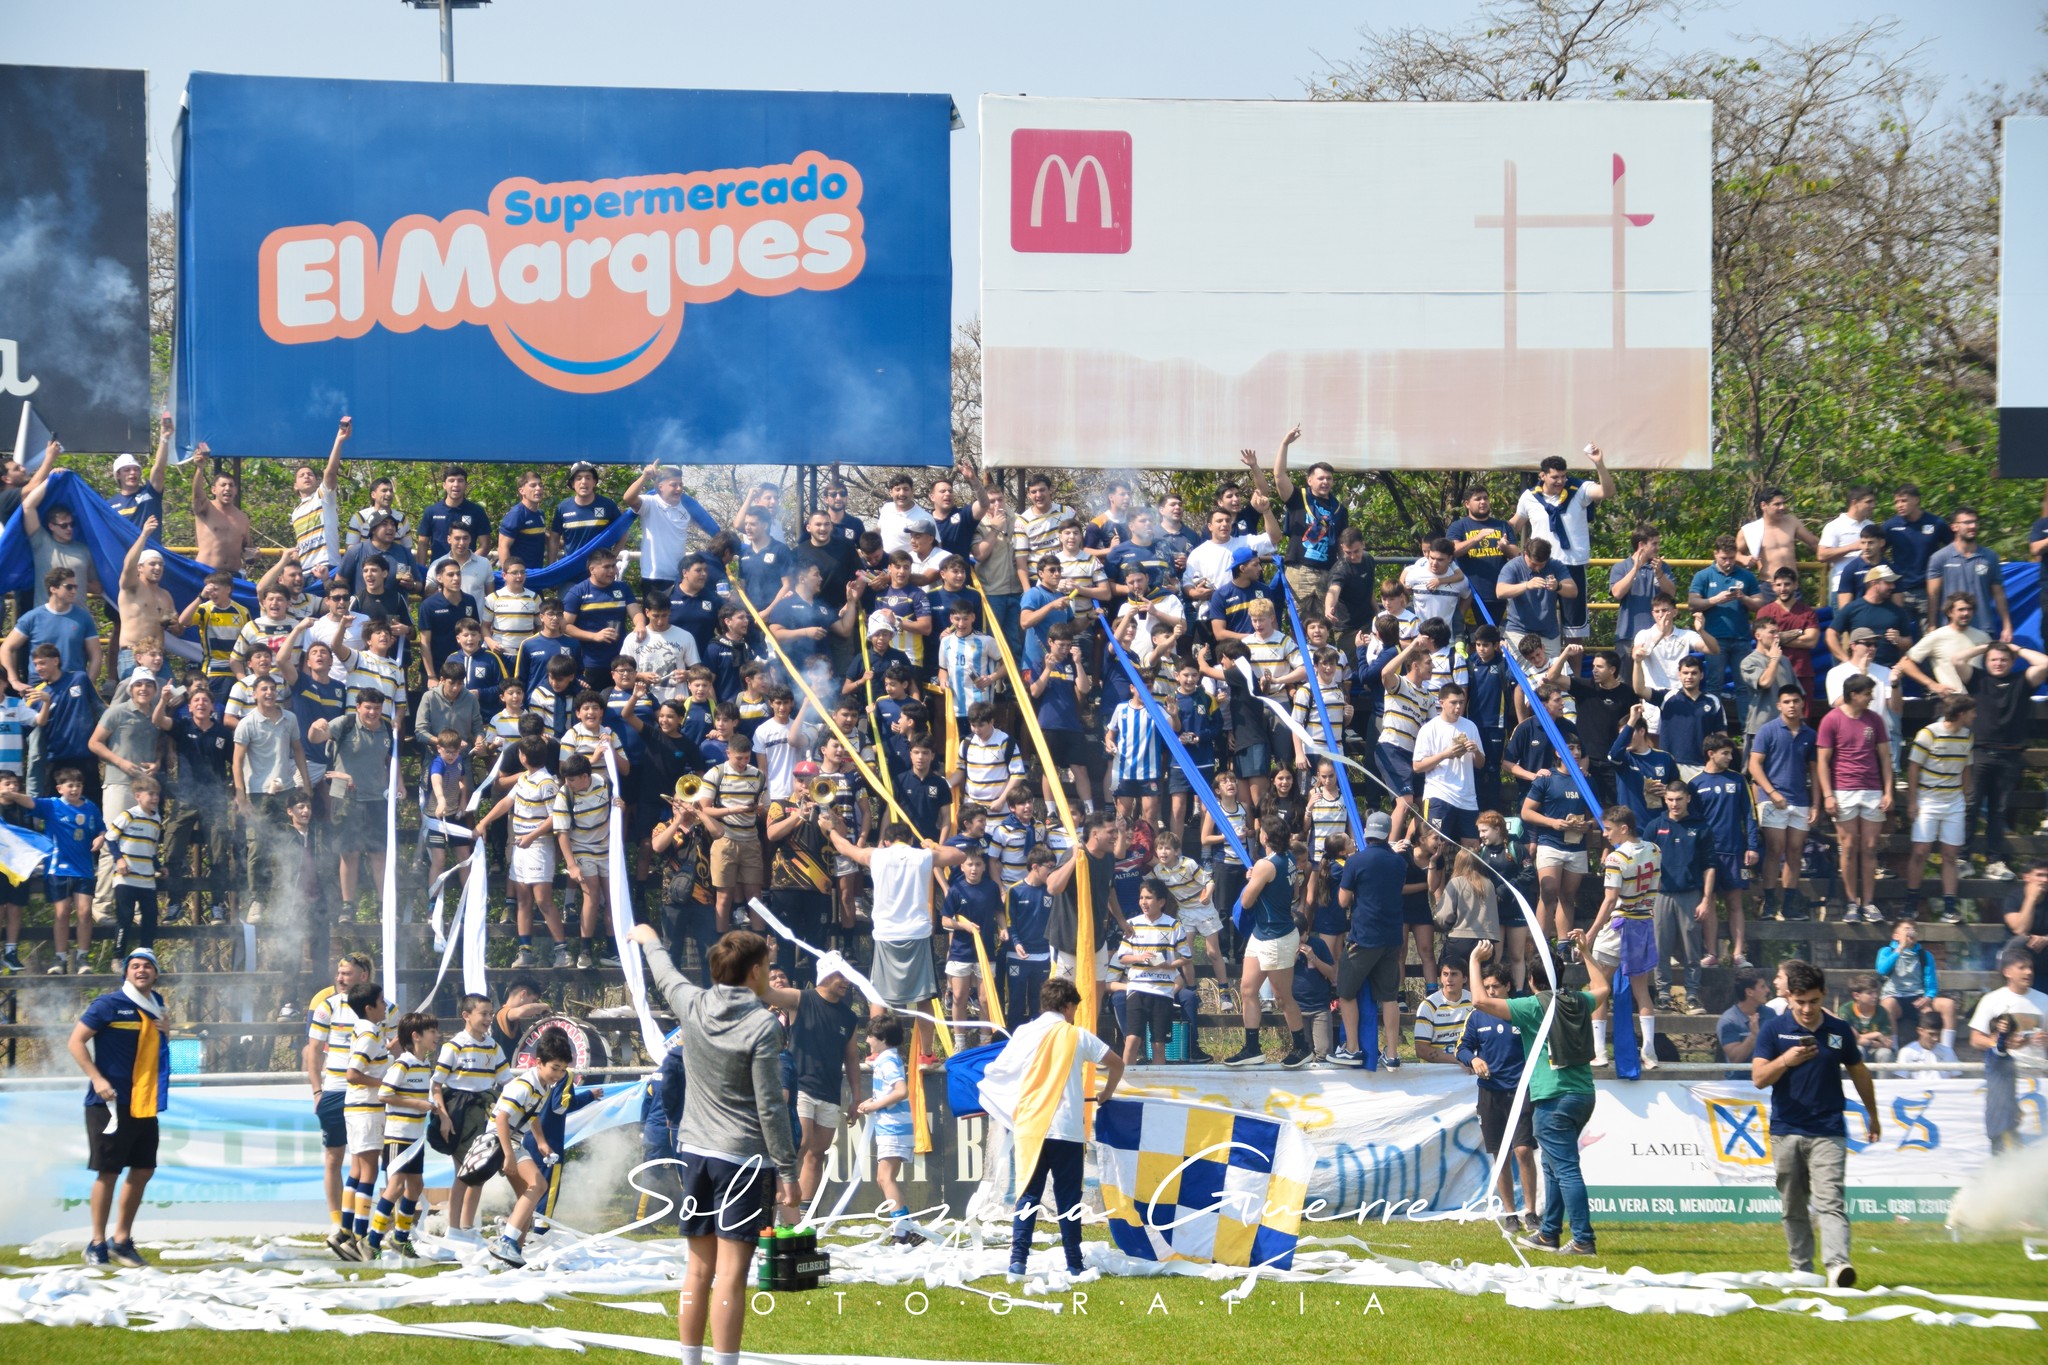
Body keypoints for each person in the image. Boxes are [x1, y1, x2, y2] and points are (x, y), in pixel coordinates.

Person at [631, 923, 799, 1364]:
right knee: (730, 1276)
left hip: (695, 1155)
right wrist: (787, 1173)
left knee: (698, 1270)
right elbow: (771, 1107)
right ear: (756, 972)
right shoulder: (763, 1025)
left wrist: (648, 937)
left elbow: (664, 972)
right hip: (744, 1161)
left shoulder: (692, 1003)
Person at [1469, 932, 1608, 1255]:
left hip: (1553, 1097)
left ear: (1531, 981)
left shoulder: (1534, 1006)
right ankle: (1548, 1233)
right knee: (1552, 1166)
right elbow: (1602, 988)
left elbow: (1479, 1001)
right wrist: (1586, 953)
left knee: (1566, 1168)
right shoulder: (1577, 1000)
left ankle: (1584, 1239)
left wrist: (1475, 962)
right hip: (1583, 1094)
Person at [980, 976, 1124, 1280]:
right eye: (1074, 1009)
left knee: (1028, 1195)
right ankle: (1074, 1263)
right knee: (1068, 1199)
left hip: (1031, 1126)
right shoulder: (1076, 1035)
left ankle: (1017, 1262)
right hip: (1067, 1128)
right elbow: (1117, 1063)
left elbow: (1000, 1070)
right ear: (1068, 1006)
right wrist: (1106, 1093)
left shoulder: (1023, 1033)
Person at [1753, 958, 1880, 1287]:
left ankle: (1839, 1267)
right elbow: (1759, 1078)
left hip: (1829, 1130)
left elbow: (1859, 1072)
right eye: (1800, 1001)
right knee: (1793, 1205)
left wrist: (1873, 1114)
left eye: (1814, 1001)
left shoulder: (1838, 1032)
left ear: (1824, 995)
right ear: (1790, 998)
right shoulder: (1773, 1029)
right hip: (1786, 1130)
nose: (1807, 1009)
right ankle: (1802, 1269)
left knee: (1830, 1201)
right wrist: (1786, 1059)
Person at [68, 946, 170, 1268]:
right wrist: (97, 1079)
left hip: (144, 1100)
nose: (141, 971)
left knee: (143, 1169)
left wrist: (170, 1031)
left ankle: (121, 1240)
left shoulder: (158, 1006)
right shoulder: (108, 1004)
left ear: (155, 973)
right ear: (126, 972)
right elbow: (75, 1041)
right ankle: (96, 1242)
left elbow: (157, 1048)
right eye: (135, 966)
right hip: (108, 1103)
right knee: (108, 1172)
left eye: (147, 967)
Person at [1220, 813, 1314, 1069]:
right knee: (1248, 990)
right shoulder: (1289, 859)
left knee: (1282, 997)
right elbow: (1294, 893)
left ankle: (1302, 1047)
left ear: (1265, 837)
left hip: (1277, 937)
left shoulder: (1265, 864)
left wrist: (1253, 880)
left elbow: (1247, 901)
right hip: (1261, 934)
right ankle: (1252, 1048)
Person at [1458, 959, 1538, 1233]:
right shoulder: (1476, 1015)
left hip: (1520, 1089)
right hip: (1490, 1093)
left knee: (1523, 1150)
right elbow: (1462, 1048)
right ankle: (1510, 1213)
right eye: (1487, 987)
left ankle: (1531, 1211)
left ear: (1508, 987)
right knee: (1500, 1155)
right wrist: (1473, 1061)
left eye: (1495, 987)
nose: (1490, 992)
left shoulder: (1522, 1010)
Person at [1585, 804, 1663, 1068]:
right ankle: (1649, 1053)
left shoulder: (1615, 860)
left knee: (1598, 989)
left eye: (1608, 829)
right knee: (1642, 991)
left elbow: (1609, 901)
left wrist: (1592, 932)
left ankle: (1600, 1052)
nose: (1605, 834)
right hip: (1643, 925)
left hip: (1618, 926)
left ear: (1624, 828)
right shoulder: (1654, 850)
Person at [431, 992, 510, 1248]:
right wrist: (444, 1118)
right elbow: (436, 1086)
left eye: (490, 1014)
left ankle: (466, 1227)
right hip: (459, 1112)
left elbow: (507, 1082)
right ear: (466, 1015)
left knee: (479, 1172)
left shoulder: (493, 1047)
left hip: (485, 1113)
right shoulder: (453, 1046)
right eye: (483, 1014)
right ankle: (454, 1228)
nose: (489, 1019)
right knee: (462, 1173)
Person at [1510, 446, 1611, 642]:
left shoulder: (1579, 490)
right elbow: (1515, 524)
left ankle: (1575, 672)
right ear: (1542, 475)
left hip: (1572, 565)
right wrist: (1497, 536)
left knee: (1575, 627)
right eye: (1555, 477)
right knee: (1538, 622)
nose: (1560, 481)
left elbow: (1607, 491)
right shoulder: (1530, 497)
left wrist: (1599, 464)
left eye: (1563, 476)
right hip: (1541, 566)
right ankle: (1541, 669)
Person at [1817, 674, 1893, 925]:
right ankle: (1852, 903)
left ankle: (1869, 903)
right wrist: (1828, 795)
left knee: (1870, 848)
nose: (1871, 697)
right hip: (1843, 790)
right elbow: (1822, 762)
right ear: (1853, 694)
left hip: (1872, 789)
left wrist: (1888, 790)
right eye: (1867, 693)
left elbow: (1885, 758)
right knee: (1848, 847)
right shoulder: (1831, 719)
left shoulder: (1876, 720)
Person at [789, 965, 863, 1206]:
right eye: (842, 976)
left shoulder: (849, 1017)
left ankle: (804, 1215)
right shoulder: (801, 998)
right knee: (800, 1144)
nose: (846, 982)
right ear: (826, 974)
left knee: (817, 1154)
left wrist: (856, 1096)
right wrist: (769, 958)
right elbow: (766, 992)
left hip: (830, 1092)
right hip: (800, 1086)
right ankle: (779, 1206)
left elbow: (851, 1057)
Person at [1337, 811, 1407, 1066]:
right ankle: (1392, 1054)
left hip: (1363, 937)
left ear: (1367, 832)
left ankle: (1353, 1048)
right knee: (1389, 997)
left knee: (1345, 990)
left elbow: (1343, 900)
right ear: (1388, 833)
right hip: (1392, 936)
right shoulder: (1400, 862)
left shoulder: (1356, 861)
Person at [367, 1010, 439, 1258]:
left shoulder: (423, 1064)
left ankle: (400, 1238)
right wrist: (417, 1104)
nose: (436, 1036)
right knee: (395, 1186)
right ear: (416, 1036)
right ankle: (373, 1240)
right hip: (399, 1135)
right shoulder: (403, 1063)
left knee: (416, 1185)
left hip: (416, 1137)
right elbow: (384, 1094)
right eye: (432, 1032)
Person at [1748, 685, 1818, 924]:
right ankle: (1769, 902)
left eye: (1795, 701)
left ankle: (1788, 905)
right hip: (1771, 800)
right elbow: (1754, 766)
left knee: (1795, 852)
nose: (1791, 705)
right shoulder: (1767, 730)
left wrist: (1816, 803)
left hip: (1800, 800)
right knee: (1775, 849)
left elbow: (1815, 772)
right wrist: (1771, 792)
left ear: (1802, 704)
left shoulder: (1810, 734)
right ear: (1779, 705)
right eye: (1786, 701)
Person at [1969, 943, 2047, 1152]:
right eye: (2022, 967)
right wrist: (1999, 1043)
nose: (2029, 972)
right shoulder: (1992, 1000)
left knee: (2038, 1141)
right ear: (2007, 972)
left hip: (2039, 1078)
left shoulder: (2044, 1000)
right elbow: (1976, 1039)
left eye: (2030, 967)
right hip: (2004, 1079)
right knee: (2005, 1135)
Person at [855, 1016, 922, 1244]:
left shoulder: (887, 1062)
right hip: (891, 1127)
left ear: (882, 1038)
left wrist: (874, 1105)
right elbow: (889, 1093)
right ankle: (905, 1227)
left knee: (885, 1179)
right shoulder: (888, 1060)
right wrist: (871, 1102)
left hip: (893, 1128)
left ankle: (903, 1232)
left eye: (871, 1036)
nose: (868, 1040)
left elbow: (901, 1091)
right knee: (884, 1178)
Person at [1924, 506, 2011, 640]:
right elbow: (1933, 596)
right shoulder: (1939, 558)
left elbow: (1999, 594)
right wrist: (1931, 626)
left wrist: (2007, 626)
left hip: (1983, 628)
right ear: (1954, 527)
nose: (1973, 526)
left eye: (1975, 522)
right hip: (1950, 629)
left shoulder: (1990, 556)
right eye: (1967, 523)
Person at [1716, 970, 1769, 1068]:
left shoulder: (1770, 1014)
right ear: (1749, 992)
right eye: (1763, 987)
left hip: (1768, 1077)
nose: (1767, 990)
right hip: (1740, 1081)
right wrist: (1753, 1036)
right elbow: (1735, 1059)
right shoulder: (1728, 1021)